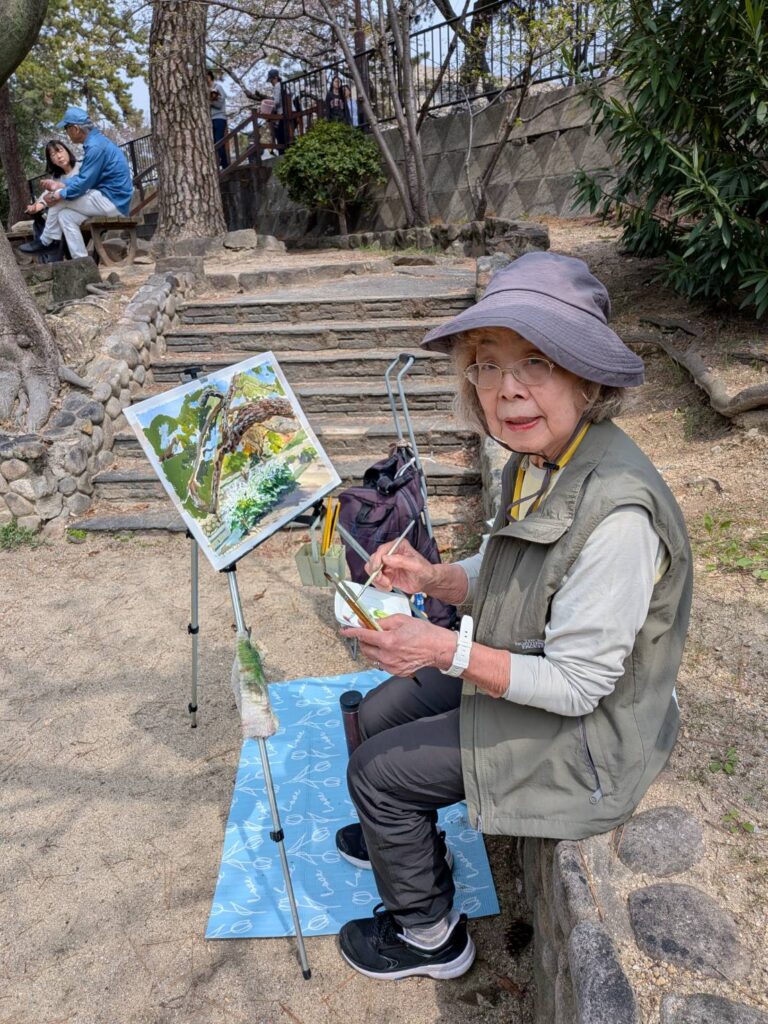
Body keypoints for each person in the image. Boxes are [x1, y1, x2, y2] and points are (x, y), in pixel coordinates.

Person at [334, 251, 693, 981]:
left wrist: (443, 649)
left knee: (377, 771)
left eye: (537, 362)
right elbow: (513, 565)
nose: (508, 389)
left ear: (587, 377)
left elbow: (578, 687)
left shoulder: (619, 515)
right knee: (376, 713)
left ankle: (430, 937)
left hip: (589, 735)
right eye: (488, 365)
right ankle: (396, 839)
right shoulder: (538, 458)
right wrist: (436, 576)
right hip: (526, 662)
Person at [19, 107, 132, 261]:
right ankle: (82, 263)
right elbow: (84, 178)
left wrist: (58, 193)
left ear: (75, 129)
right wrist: (59, 185)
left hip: (113, 201)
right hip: (110, 200)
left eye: (66, 129)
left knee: (59, 200)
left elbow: (83, 184)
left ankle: (46, 241)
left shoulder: (95, 147)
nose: (67, 133)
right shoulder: (96, 143)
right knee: (66, 216)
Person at [24, 140, 80, 261]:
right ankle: (50, 258)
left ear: (67, 151)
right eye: (53, 155)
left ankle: (48, 248)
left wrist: (49, 199)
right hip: (67, 212)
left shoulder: (82, 167)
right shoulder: (57, 177)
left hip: (86, 208)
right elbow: (47, 194)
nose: (58, 156)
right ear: (51, 161)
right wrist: (37, 205)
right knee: (42, 219)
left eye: (60, 151)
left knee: (59, 210)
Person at [207, 69, 230, 169]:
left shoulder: (217, 87)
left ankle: (224, 163)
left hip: (219, 118)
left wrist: (210, 102)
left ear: (210, 76)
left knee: (218, 140)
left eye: (206, 76)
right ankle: (217, 163)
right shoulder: (205, 89)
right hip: (210, 119)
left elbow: (220, 103)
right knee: (212, 141)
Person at [266, 68, 287, 153]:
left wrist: (270, 107)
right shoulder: (283, 85)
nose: (271, 82)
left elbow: (277, 101)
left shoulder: (277, 86)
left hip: (283, 112)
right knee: (284, 134)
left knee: (280, 135)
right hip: (286, 111)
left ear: (275, 77)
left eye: (271, 79)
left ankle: (282, 153)